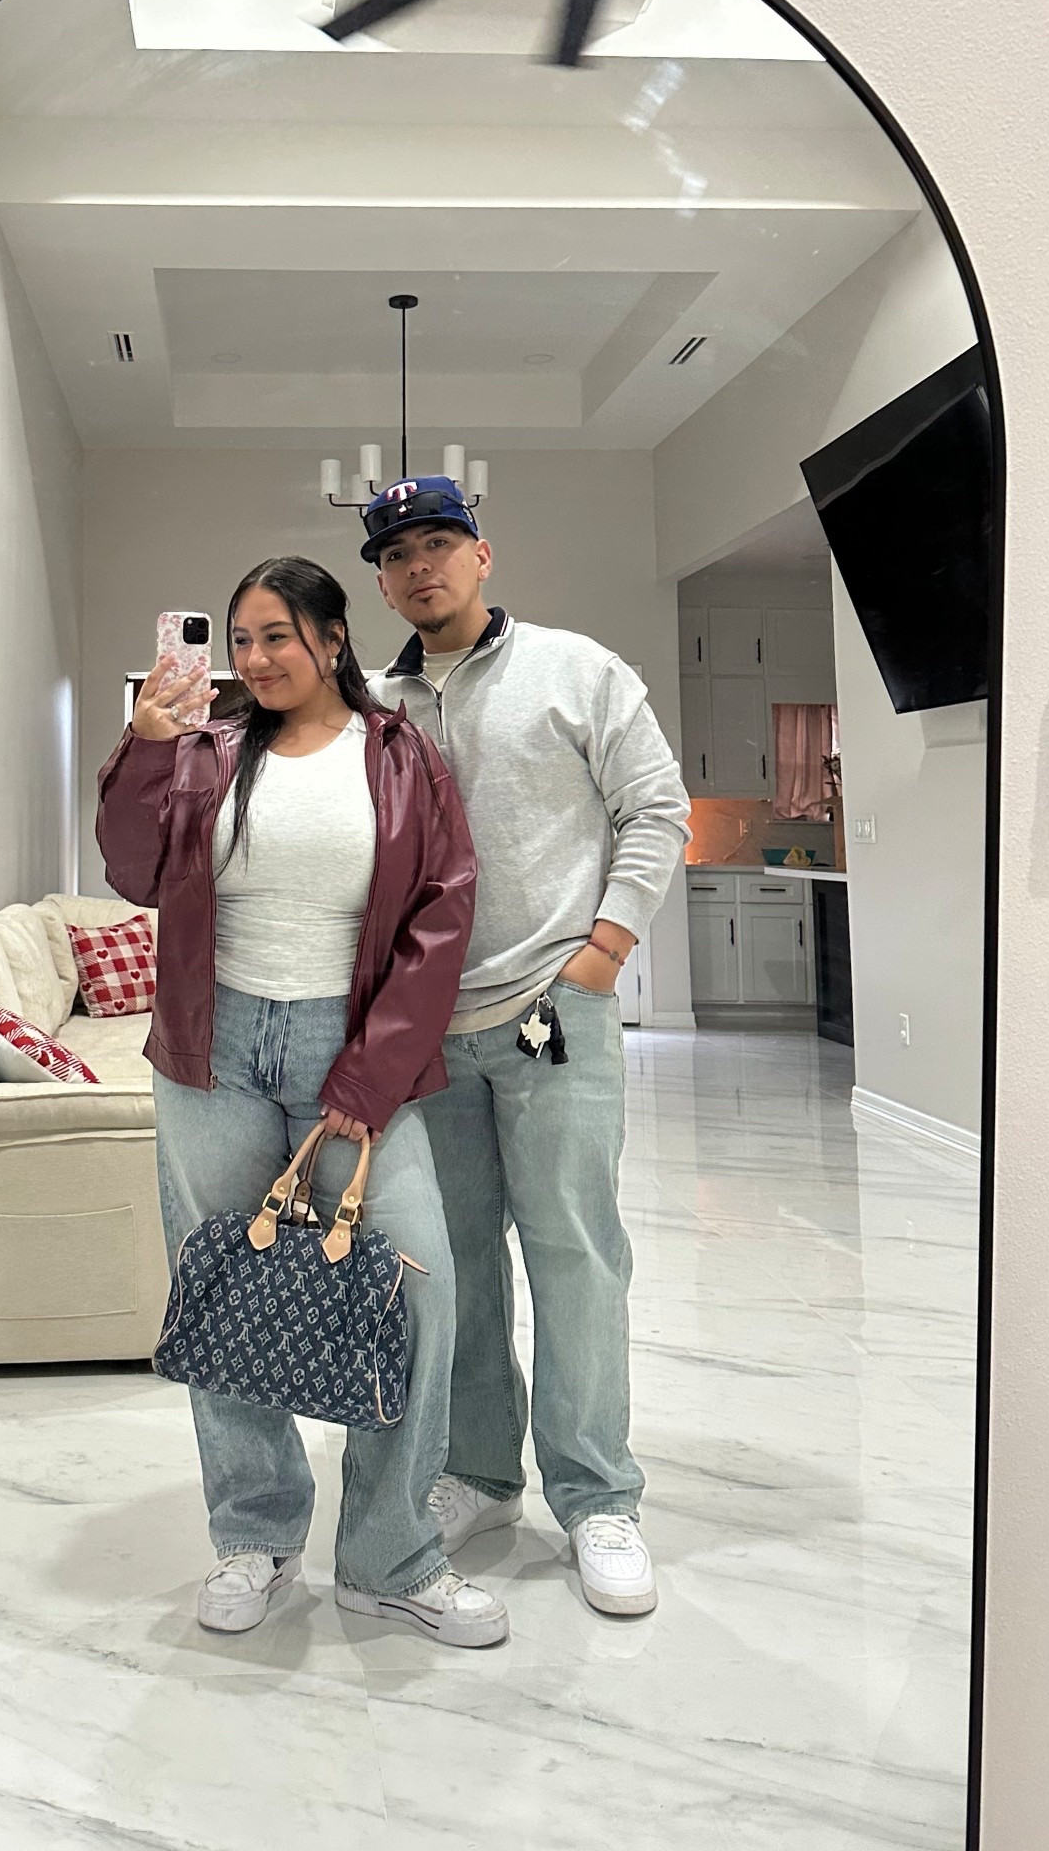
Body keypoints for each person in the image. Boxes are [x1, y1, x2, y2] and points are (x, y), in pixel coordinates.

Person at [96, 555, 509, 1649]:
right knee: (222, 1288)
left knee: (415, 1286)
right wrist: (145, 747)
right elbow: (133, 871)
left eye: (277, 634)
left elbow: (440, 913)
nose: (255, 657)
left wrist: (371, 1072)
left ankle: (390, 1556)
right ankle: (256, 1534)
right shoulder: (204, 750)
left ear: (332, 638)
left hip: (349, 1041)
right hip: (213, 1048)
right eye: (240, 639)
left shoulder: (400, 754)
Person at [361, 478, 690, 1617]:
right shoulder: (375, 706)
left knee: (574, 1252)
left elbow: (656, 808)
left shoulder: (576, 670)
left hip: (554, 1012)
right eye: (396, 554)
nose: (420, 565)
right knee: (453, 1262)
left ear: (481, 554)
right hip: (429, 1034)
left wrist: (603, 948)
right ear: (382, 582)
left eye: (437, 542)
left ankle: (598, 1497)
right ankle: (482, 1473)